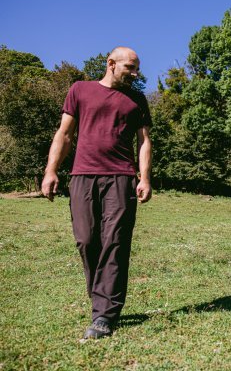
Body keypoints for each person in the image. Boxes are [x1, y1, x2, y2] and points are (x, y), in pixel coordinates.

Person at [41, 47, 152, 339]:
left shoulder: (137, 100)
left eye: (137, 68)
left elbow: (143, 142)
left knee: (115, 241)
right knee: (86, 239)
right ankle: (99, 299)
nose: (135, 74)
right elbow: (64, 134)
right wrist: (51, 170)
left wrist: (145, 178)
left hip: (121, 177)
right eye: (130, 67)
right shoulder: (80, 90)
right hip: (82, 176)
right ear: (111, 64)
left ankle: (104, 313)